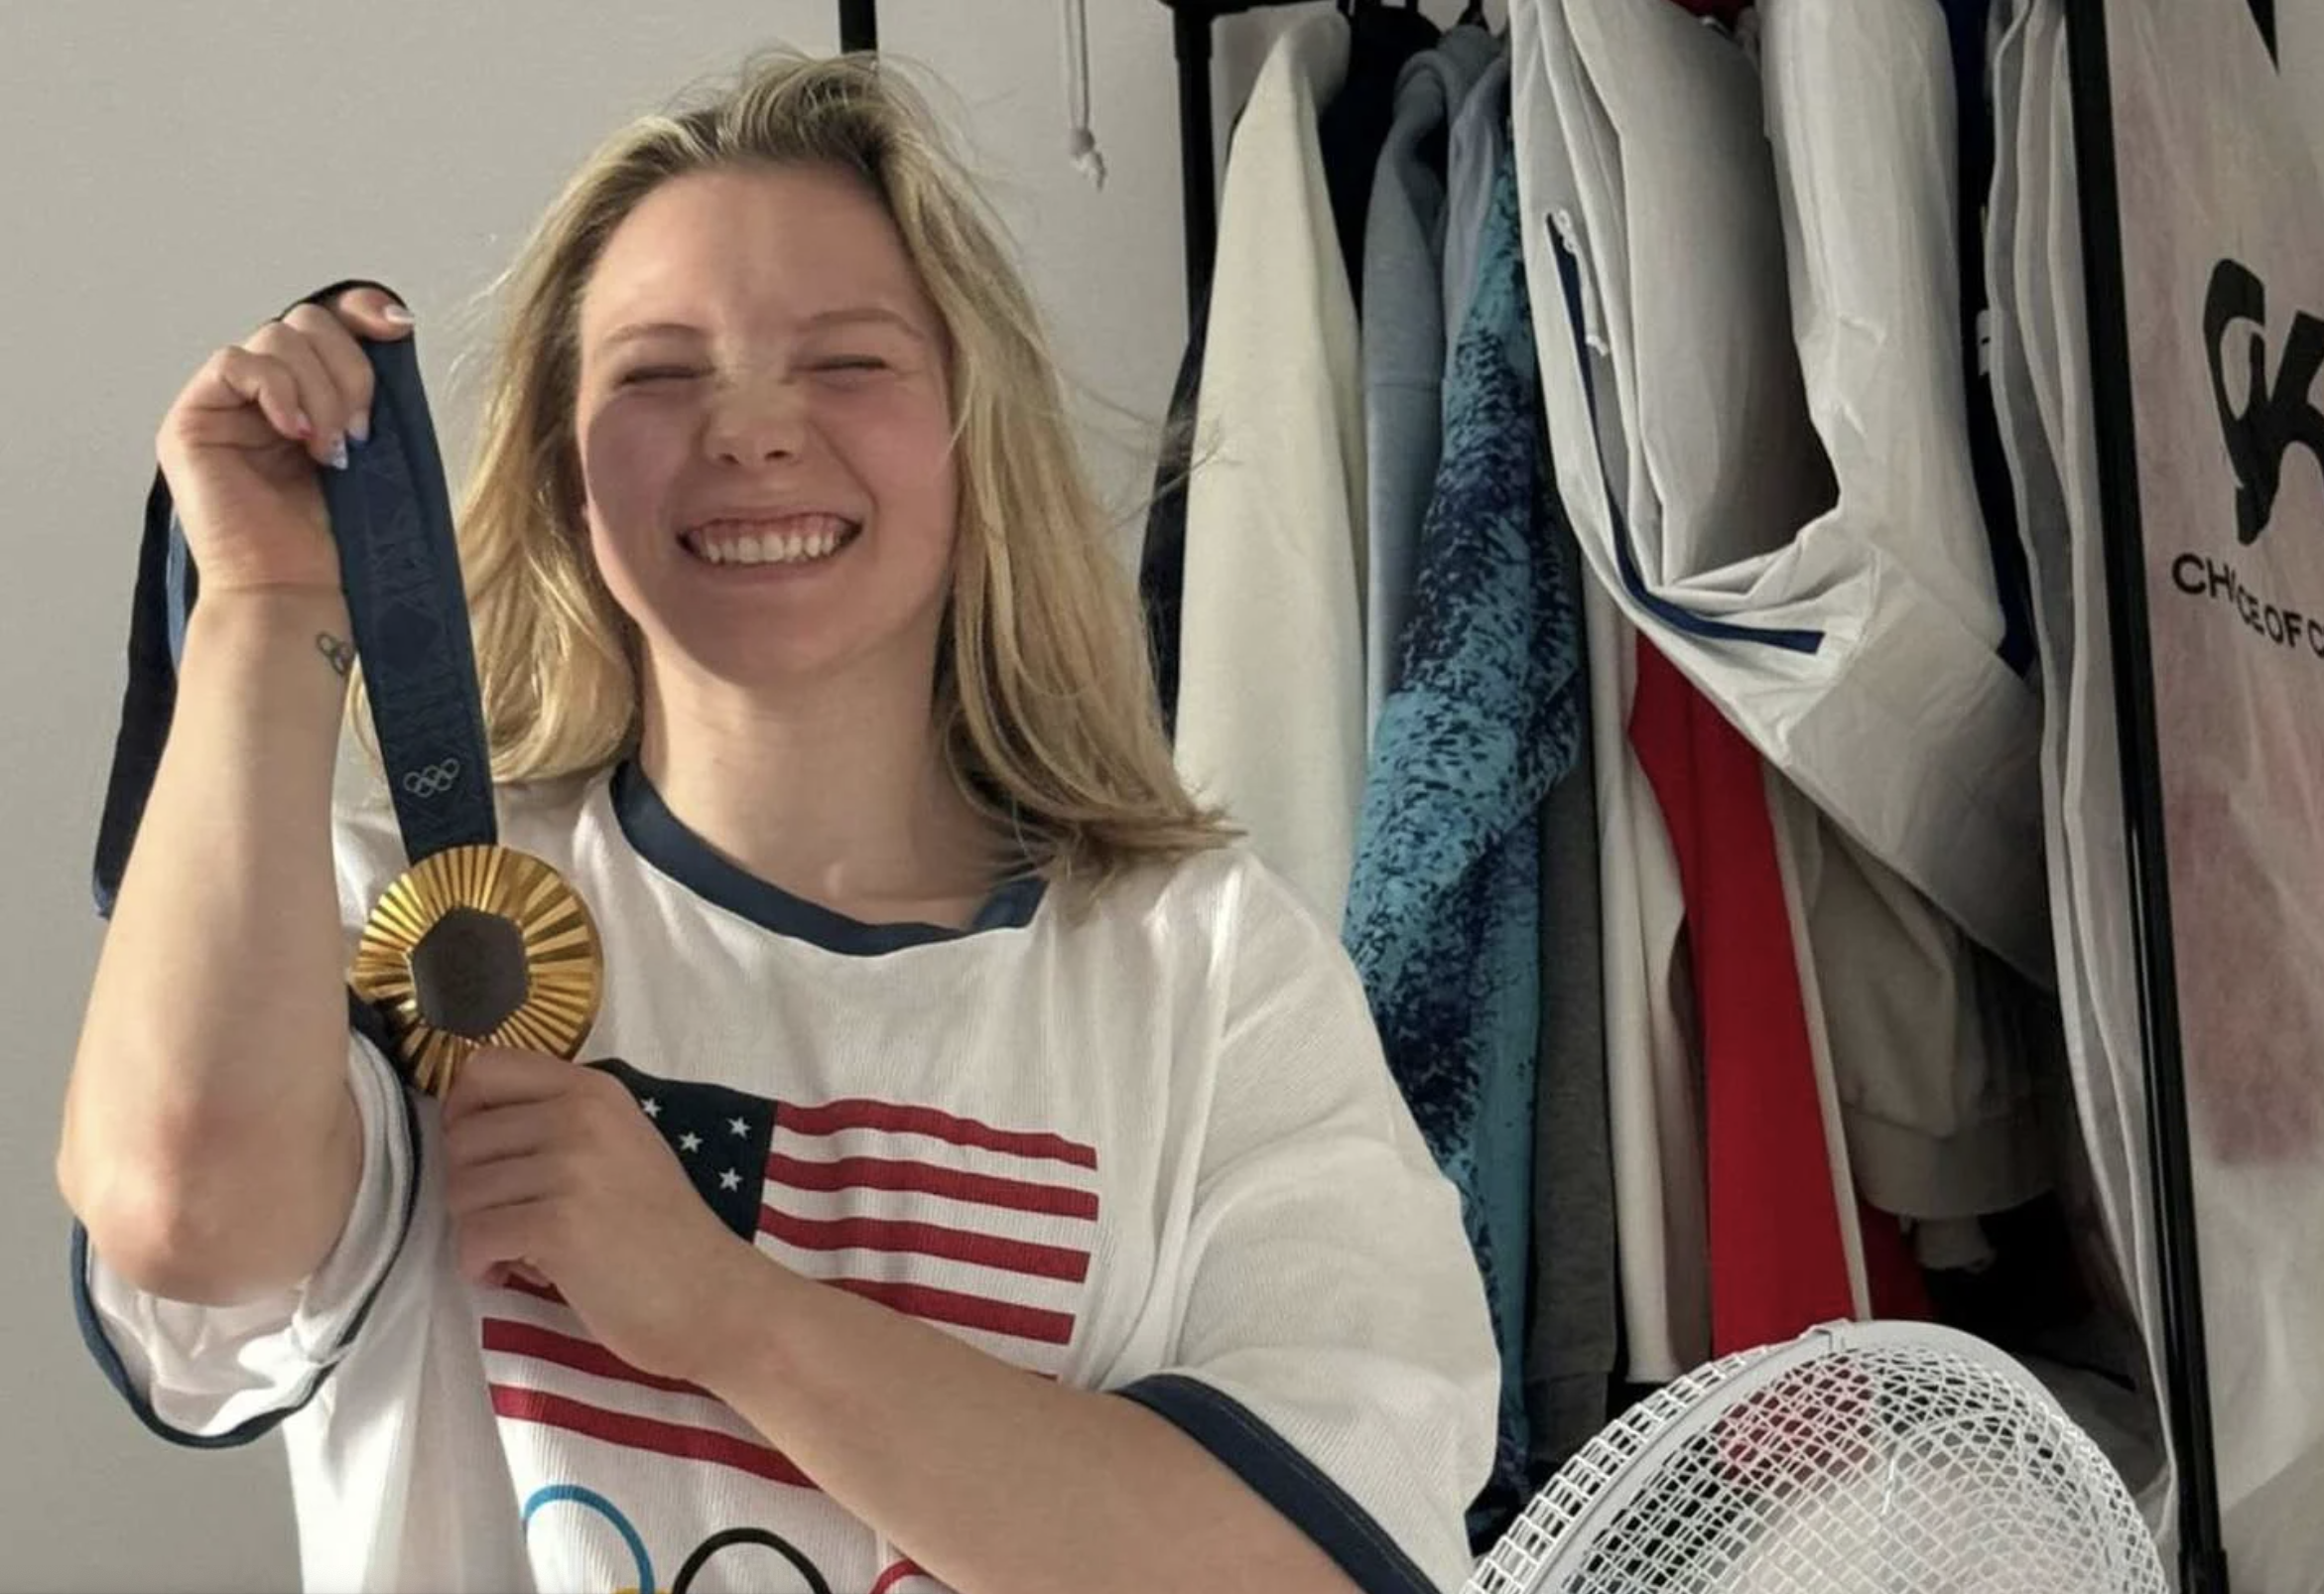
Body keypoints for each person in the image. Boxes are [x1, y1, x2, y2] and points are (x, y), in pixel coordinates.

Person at [57, 48, 1498, 1594]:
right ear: (565, 471)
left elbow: (1305, 1574)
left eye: (849, 362)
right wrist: (268, 605)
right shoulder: (402, 914)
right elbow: (188, 1219)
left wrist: (724, 1312)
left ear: (971, 430)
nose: (747, 429)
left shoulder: (1210, 975)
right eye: (660, 372)